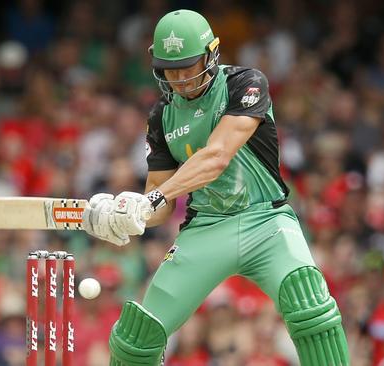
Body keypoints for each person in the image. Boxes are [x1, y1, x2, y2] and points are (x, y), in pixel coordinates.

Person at [82, 9, 350, 365]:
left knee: (310, 306)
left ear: (211, 54)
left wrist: (154, 199)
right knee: (135, 338)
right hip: (207, 229)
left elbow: (216, 156)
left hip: (266, 221)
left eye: (188, 66)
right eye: (169, 69)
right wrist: (128, 213)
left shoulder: (245, 84)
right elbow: (158, 203)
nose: (179, 78)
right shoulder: (161, 116)